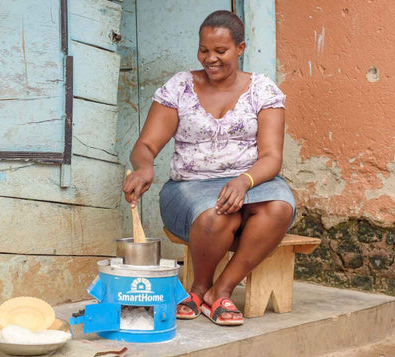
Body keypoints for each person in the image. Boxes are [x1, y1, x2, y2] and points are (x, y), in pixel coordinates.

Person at [122, 10, 295, 326]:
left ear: (240, 49)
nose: (210, 59)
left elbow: (271, 157)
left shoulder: (262, 91)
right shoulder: (180, 88)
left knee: (279, 208)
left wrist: (244, 181)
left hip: (253, 181)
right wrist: (144, 168)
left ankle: (221, 290)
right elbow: (145, 146)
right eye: (204, 50)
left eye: (220, 51)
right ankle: (199, 286)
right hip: (190, 186)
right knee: (218, 214)